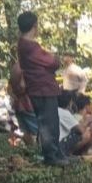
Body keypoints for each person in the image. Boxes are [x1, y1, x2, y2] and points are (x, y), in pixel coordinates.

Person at [16, 11, 67, 166]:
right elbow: (53, 63)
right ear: (34, 26)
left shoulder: (24, 45)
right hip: (42, 89)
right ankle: (51, 157)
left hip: (43, 88)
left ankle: (56, 154)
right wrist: (53, 58)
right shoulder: (30, 46)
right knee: (48, 124)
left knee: (52, 122)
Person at [56, 92, 92, 157]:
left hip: (54, 143)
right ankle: (69, 154)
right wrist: (88, 121)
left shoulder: (56, 110)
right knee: (87, 134)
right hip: (60, 144)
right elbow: (81, 130)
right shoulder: (65, 113)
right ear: (69, 103)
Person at [7, 61, 37, 146]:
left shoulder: (15, 67)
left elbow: (9, 89)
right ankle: (39, 153)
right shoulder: (26, 66)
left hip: (18, 104)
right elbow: (23, 85)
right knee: (37, 130)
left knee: (26, 131)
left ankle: (32, 152)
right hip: (28, 103)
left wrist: (15, 96)